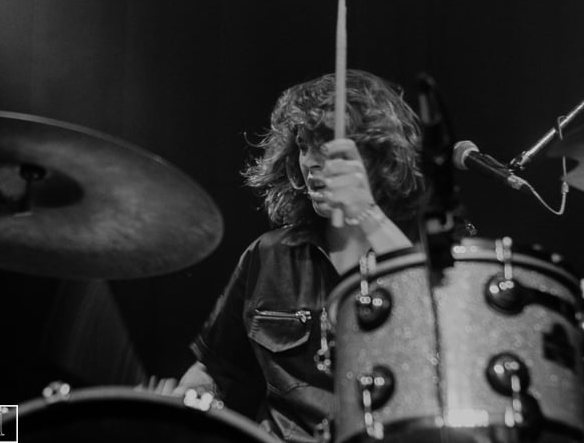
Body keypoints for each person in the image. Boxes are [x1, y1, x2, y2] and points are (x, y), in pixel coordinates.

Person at [173, 69, 432, 442]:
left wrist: (367, 214)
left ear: (379, 154)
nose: (310, 161)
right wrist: (192, 394)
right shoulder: (268, 255)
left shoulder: (427, 253)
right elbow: (214, 369)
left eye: (328, 144)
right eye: (303, 145)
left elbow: (441, 334)